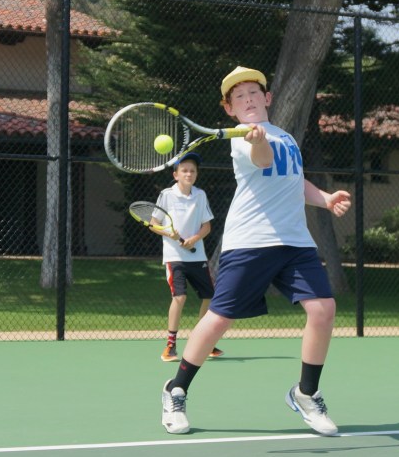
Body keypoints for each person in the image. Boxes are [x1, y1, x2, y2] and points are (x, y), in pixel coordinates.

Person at [161, 66, 351, 436]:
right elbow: (262, 159)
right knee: (218, 319)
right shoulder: (241, 139)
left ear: (267, 98)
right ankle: (176, 388)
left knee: (323, 309)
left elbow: (292, 179)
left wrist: (325, 199)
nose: (247, 99)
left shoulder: (287, 138)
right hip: (250, 242)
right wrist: (257, 140)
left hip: (295, 242)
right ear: (229, 109)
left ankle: (306, 393)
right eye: (238, 97)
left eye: (252, 92)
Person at [150, 152, 223, 363]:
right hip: (175, 257)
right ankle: (170, 346)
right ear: (176, 175)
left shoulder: (200, 195)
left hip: (197, 256)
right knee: (180, 297)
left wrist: (194, 238)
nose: (189, 174)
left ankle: (203, 341)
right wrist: (168, 233)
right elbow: (153, 224)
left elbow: (207, 226)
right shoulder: (166, 195)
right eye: (184, 171)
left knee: (210, 297)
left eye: (192, 171)